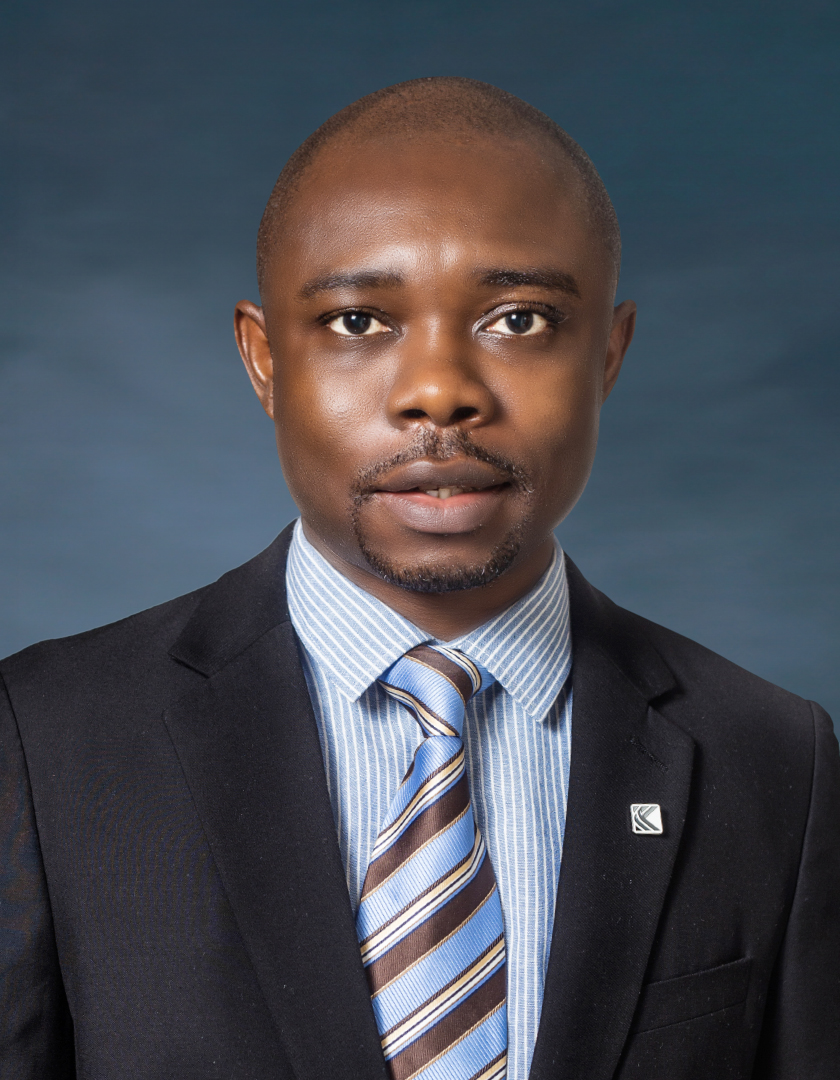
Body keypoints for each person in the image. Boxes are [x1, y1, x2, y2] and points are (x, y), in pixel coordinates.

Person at [1, 77, 837, 1080]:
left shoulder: (774, 760)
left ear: (607, 356)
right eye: (359, 323)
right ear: (264, 361)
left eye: (520, 319)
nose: (440, 391)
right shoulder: (43, 741)